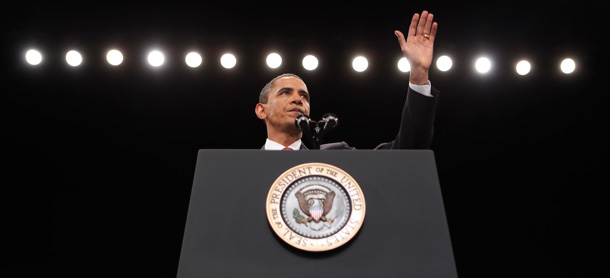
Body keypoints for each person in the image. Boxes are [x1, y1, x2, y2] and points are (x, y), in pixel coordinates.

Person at [255, 10, 439, 150]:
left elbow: (408, 151)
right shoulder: (242, 166)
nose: (298, 100)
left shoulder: (339, 157)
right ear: (262, 110)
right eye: (285, 92)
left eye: (304, 96)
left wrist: (419, 73)